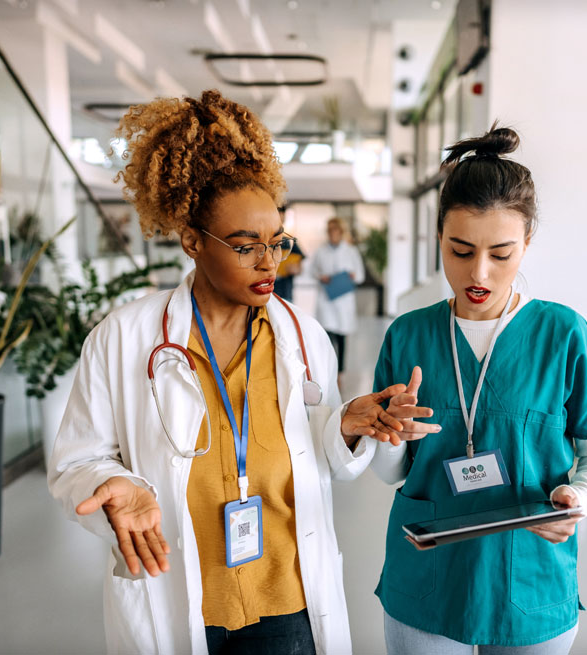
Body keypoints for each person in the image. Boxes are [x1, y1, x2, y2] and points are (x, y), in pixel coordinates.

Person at [46, 90, 434, 655]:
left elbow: (323, 458)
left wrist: (346, 427)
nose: (269, 262)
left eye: (277, 243)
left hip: (288, 599)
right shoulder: (124, 338)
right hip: (182, 597)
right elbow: (80, 460)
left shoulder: (303, 336)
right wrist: (115, 486)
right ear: (192, 243)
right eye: (245, 246)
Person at [366, 125, 587, 654]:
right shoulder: (409, 334)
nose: (479, 272)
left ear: (527, 242)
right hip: (428, 577)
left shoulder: (562, 334)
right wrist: (388, 435)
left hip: (528, 577)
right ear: (438, 235)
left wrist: (577, 498)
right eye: (459, 250)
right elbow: (392, 473)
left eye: (502, 253)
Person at [308, 218, 364, 373]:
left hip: (344, 300)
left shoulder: (351, 251)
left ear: (341, 232)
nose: (332, 234)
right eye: (330, 231)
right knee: (327, 336)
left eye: (335, 230)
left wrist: (352, 276)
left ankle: (340, 371)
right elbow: (312, 271)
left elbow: (360, 276)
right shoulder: (321, 250)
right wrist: (321, 277)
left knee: (341, 337)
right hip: (326, 299)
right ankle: (328, 370)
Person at [273, 205, 304, 303]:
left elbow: (299, 268)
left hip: (285, 293)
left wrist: (295, 269)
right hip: (267, 294)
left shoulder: (289, 242)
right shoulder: (263, 241)